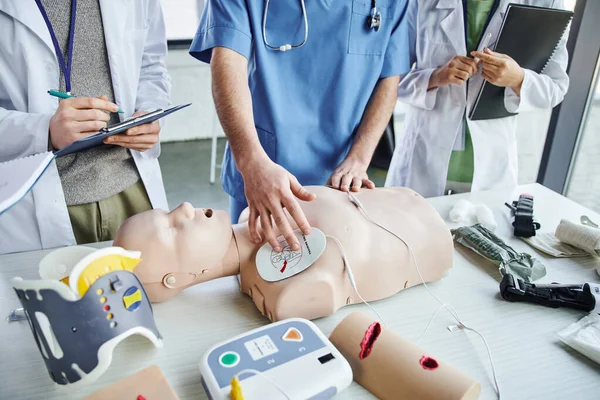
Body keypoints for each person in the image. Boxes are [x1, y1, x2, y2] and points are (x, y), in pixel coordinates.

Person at [189, 0, 411, 254]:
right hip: (262, 164)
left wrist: (360, 157)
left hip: (341, 173)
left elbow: (389, 77)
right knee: (255, 278)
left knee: (336, 273)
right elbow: (228, 61)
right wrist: (251, 161)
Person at [113, 186, 453, 321]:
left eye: (169, 211)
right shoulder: (285, 293)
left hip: (409, 200)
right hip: (432, 241)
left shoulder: (255, 213)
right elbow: (329, 286)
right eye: (172, 229)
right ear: (176, 279)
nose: (185, 207)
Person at [0, 1, 171, 254]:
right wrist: (43, 130)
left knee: (147, 290)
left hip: (133, 191)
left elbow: (151, 64)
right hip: (36, 205)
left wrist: (151, 113)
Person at [385, 0, 569, 197]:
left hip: (490, 169)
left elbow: (556, 87)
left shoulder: (547, 3)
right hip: (421, 159)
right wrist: (435, 77)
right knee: (409, 224)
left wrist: (518, 79)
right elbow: (389, 79)